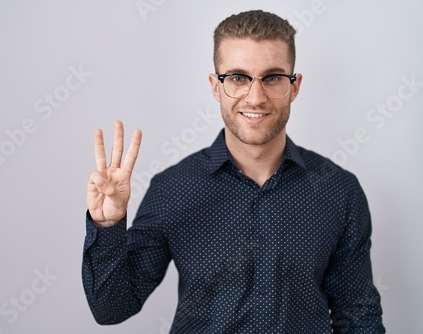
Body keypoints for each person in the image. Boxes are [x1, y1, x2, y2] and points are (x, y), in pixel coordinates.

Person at [82, 9, 385, 333]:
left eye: (272, 77)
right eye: (238, 77)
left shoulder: (338, 190)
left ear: (294, 87)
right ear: (216, 86)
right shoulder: (173, 188)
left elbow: (358, 317)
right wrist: (107, 225)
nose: (255, 97)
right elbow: (111, 309)